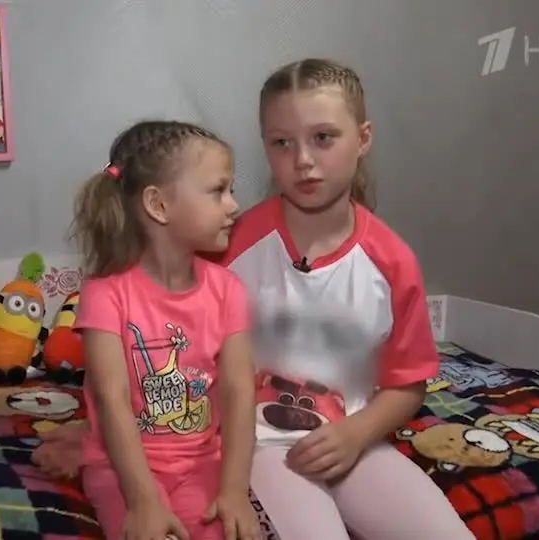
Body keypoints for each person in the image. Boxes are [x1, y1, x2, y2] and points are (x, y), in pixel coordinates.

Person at [221, 58, 474, 539]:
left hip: (351, 440)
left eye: (323, 137)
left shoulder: (392, 261)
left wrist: (356, 434)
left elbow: (407, 384)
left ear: (363, 138)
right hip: (258, 446)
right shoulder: (231, 247)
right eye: (282, 142)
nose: (302, 160)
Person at [68, 120, 261, 540]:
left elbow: (238, 390)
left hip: (201, 465)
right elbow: (112, 398)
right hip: (123, 470)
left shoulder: (228, 290)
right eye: (218, 190)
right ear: (158, 205)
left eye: (230, 190)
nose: (234, 205)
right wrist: (143, 501)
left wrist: (234, 491)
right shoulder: (105, 293)